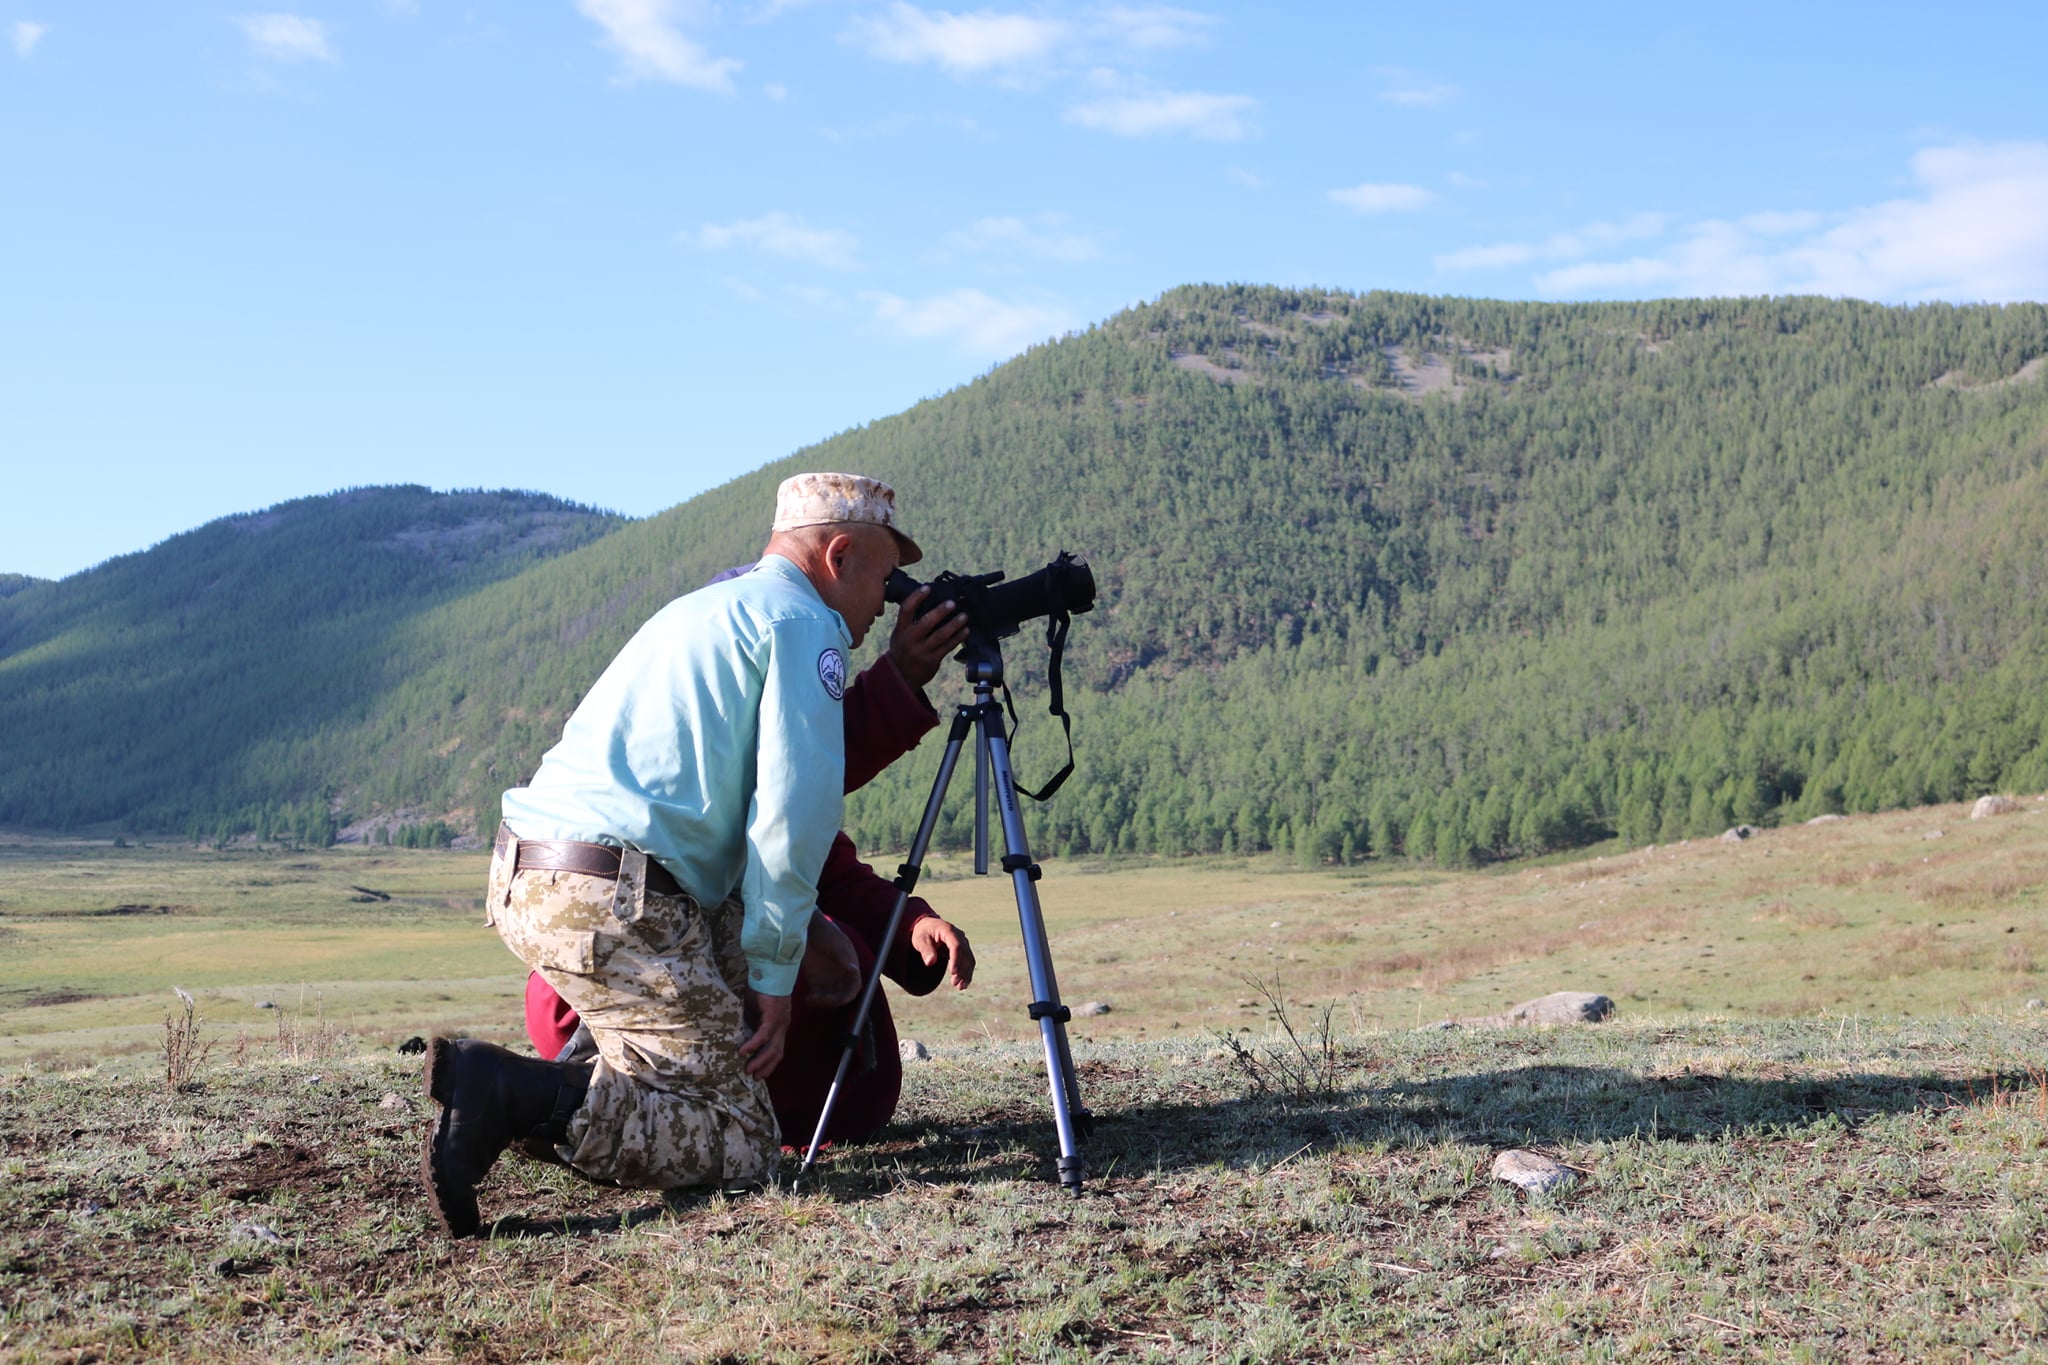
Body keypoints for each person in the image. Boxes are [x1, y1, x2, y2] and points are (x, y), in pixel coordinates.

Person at [422, 473, 959, 1238]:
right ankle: (509, 1092)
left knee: (707, 1078)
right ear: (838, 554)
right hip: (618, 897)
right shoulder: (806, 628)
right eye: (883, 575)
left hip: (537, 876)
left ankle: (557, 1085)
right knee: (744, 1144)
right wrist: (777, 972)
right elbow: (789, 818)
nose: (887, 600)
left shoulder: (706, 611)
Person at [523, 563, 980, 1145]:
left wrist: (913, 922)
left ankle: (553, 1097)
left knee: (830, 942)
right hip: (620, 980)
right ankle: (539, 1102)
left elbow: (822, 861)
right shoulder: (686, 760)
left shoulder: (699, 729)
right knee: (737, 1138)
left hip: (585, 967)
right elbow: (793, 827)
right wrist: (811, 931)